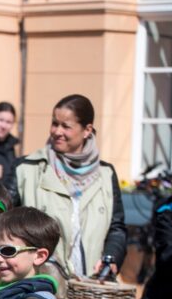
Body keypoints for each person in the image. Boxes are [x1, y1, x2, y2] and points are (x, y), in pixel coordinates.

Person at [12, 94, 126, 278]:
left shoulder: (106, 174)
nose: (57, 131)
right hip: (41, 286)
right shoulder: (26, 169)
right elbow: (6, 224)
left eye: (66, 126)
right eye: (54, 123)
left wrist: (110, 259)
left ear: (87, 130)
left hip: (91, 287)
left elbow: (117, 228)